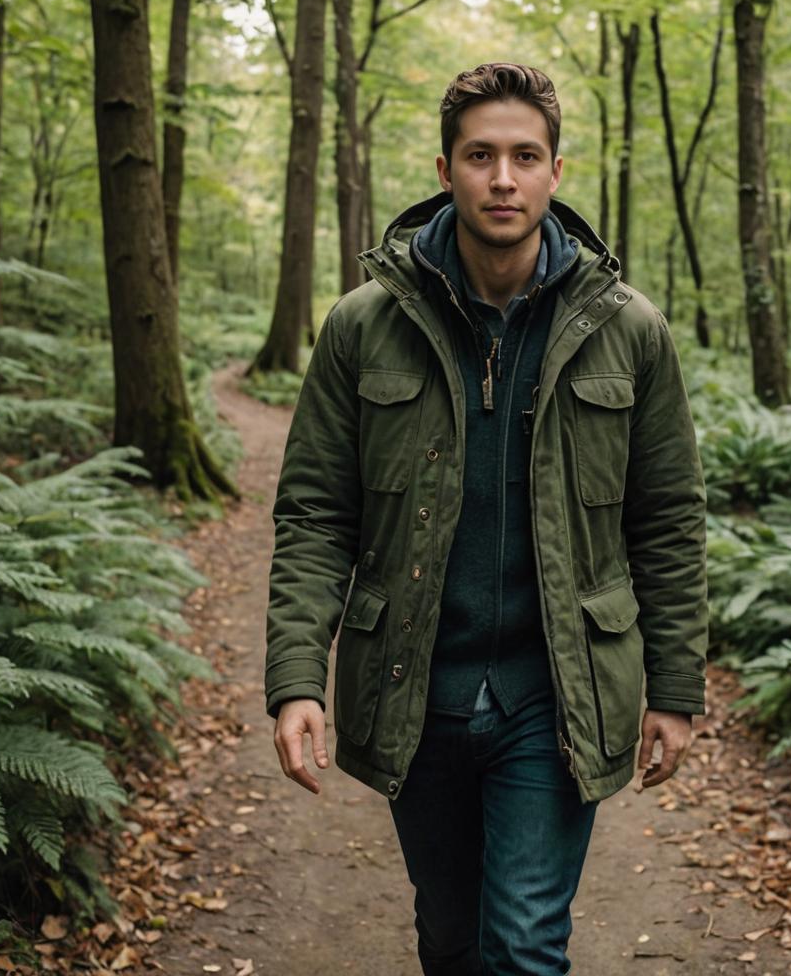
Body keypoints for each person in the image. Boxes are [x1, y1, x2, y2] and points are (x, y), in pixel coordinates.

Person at [264, 62, 708, 976]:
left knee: (522, 948)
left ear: (555, 171)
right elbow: (315, 514)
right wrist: (297, 677)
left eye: (524, 156)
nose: (502, 178)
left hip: (556, 693)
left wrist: (676, 688)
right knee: (452, 939)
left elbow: (666, 520)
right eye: (480, 156)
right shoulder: (361, 326)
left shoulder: (630, 329)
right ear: (445, 169)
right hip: (413, 686)